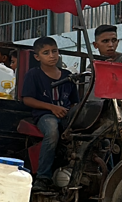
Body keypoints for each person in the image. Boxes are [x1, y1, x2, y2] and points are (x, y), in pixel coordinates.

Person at [21, 37, 80, 192]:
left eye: (54, 51)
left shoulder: (68, 76)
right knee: (52, 130)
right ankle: (43, 177)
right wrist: (52, 108)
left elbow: (74, 102)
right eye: (46, 53)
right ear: (37, 57)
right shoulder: (34, 74)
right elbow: (27, 99)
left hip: (66, 116)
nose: (52, 55)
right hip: (44, 115)